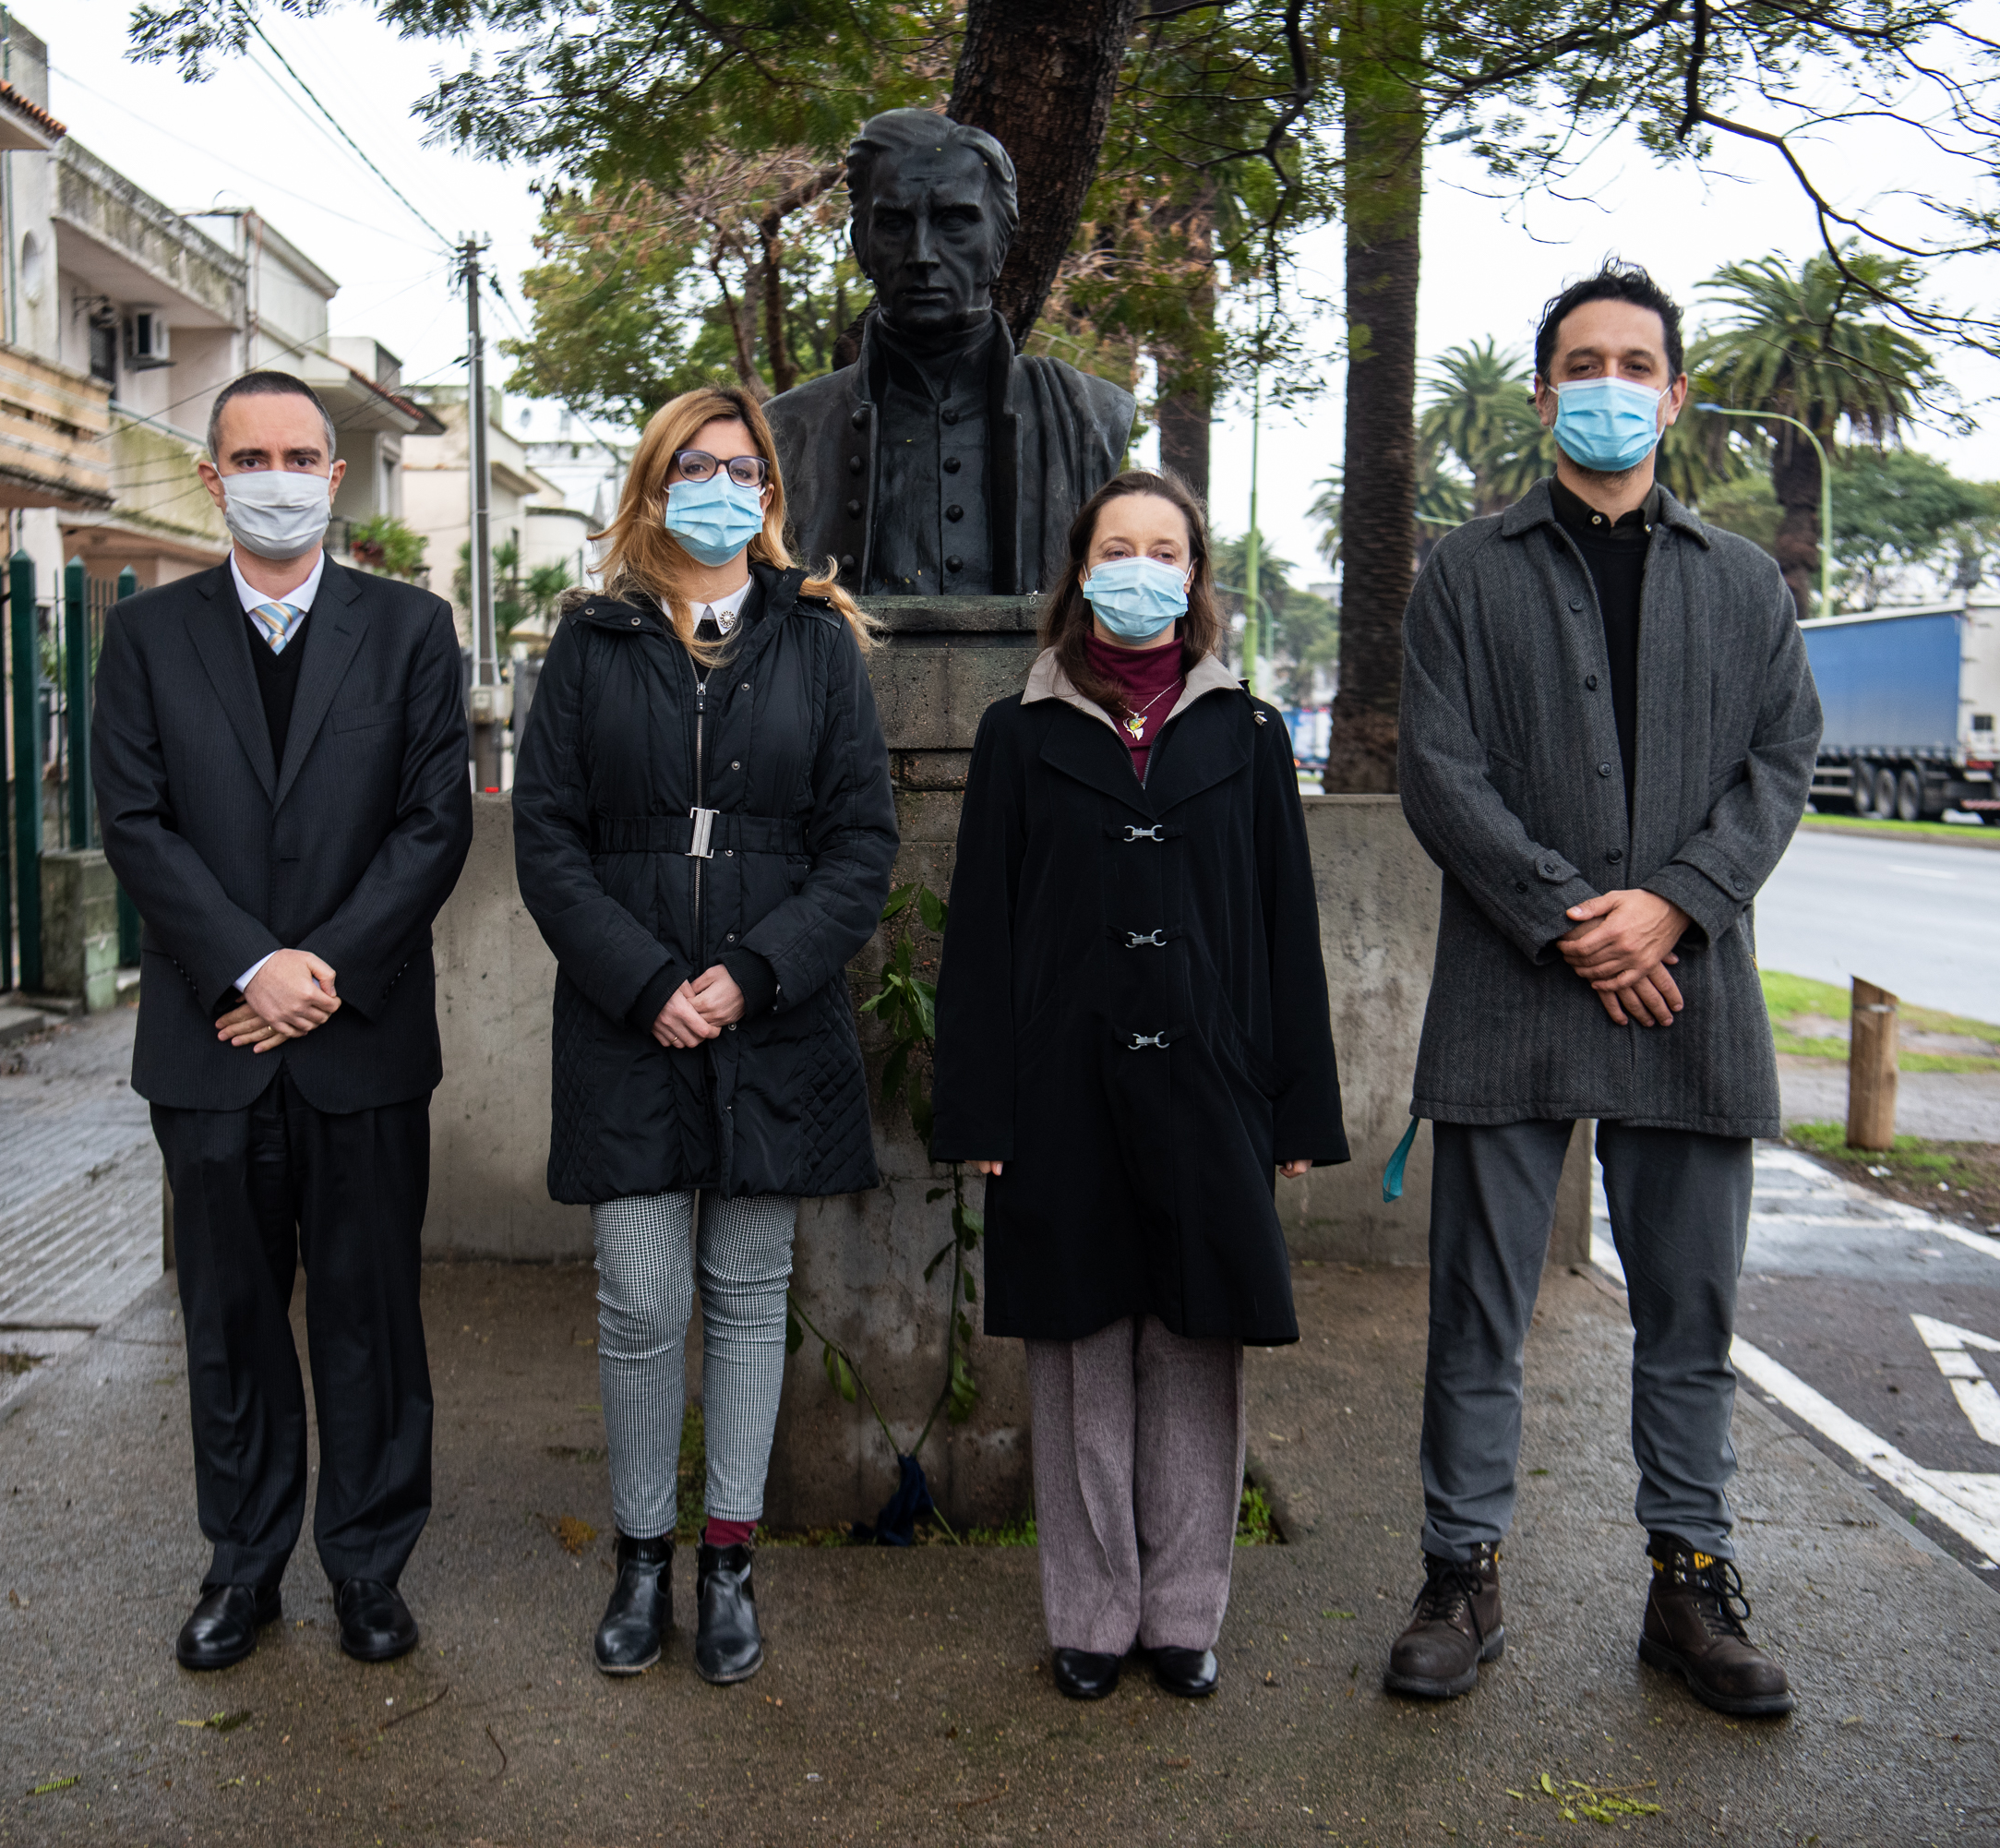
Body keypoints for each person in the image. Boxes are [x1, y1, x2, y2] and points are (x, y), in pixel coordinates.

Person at [1385, 261, 1821, 1717]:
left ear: (1677, 395)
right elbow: (1438, 773)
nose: (1612, 385)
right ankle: (1462, 1571)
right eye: (1586, 361)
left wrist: (1675, 911)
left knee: (1689, 1314)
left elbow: (1779, 768)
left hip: (1689, 1001)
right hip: (1517, 994)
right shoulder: (1463, 572)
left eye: (1640, 364)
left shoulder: (1748, 584)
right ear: (1541, 389)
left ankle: (1689, 1582)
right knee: (1476, 1311)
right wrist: (1584, 923)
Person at [931, 468, 1348, 1703]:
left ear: (1194, 575)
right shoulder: (1022, 731)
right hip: (1060, 1085)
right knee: (1078, 1357)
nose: (1142, 565)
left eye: (1166, 548)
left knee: (1197, 1347)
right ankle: (1092, 1610)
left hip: (1212, 1083)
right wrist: (981, 1107)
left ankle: (1182, 1609)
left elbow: (1286, 925)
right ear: (1082, 565)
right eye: (1119, 545)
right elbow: (982, 935)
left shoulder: (1251, 732)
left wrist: (1295, 1107)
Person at [513, 385, 898, 1686]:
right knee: (636, 1294)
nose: (722, 486)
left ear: (772, 497)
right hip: (627, 1019)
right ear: (655, 483)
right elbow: (548, 841)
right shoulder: (591, 638)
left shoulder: (818, 641)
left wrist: (750, 972)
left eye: (745, 469)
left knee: (746, 1295)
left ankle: (728, 1561)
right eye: (695, 465)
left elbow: (859, 849)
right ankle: (640, 1556)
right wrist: (643, 981)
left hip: (770, 1019)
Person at [94, 370, 476, 1673]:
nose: (276, 473)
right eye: (249, 453)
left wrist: (321, 970)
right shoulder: (146, 638)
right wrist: (247, 967)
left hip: (360, 1035)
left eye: (300, 454)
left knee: (371, 1313)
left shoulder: (413, 630)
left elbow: (434, 824)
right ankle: (242, 1567)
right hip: (211, 1041)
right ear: (212, 476)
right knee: (232, 1319)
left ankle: (368, 1565)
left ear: (334, 475)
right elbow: (134, 824)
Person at [765, 108, 1135, 595]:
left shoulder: (1091, 413)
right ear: (862, 244)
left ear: (1001, 241)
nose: (922, 253)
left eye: (954, 221)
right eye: (895, 223)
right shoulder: (785, 429)